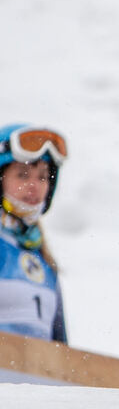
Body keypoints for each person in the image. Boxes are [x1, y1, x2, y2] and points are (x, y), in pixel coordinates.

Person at [0, 124, 68, 343]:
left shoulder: (44, 261)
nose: (34, 186)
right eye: (22, 175)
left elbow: (62, 352)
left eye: (42, 177)